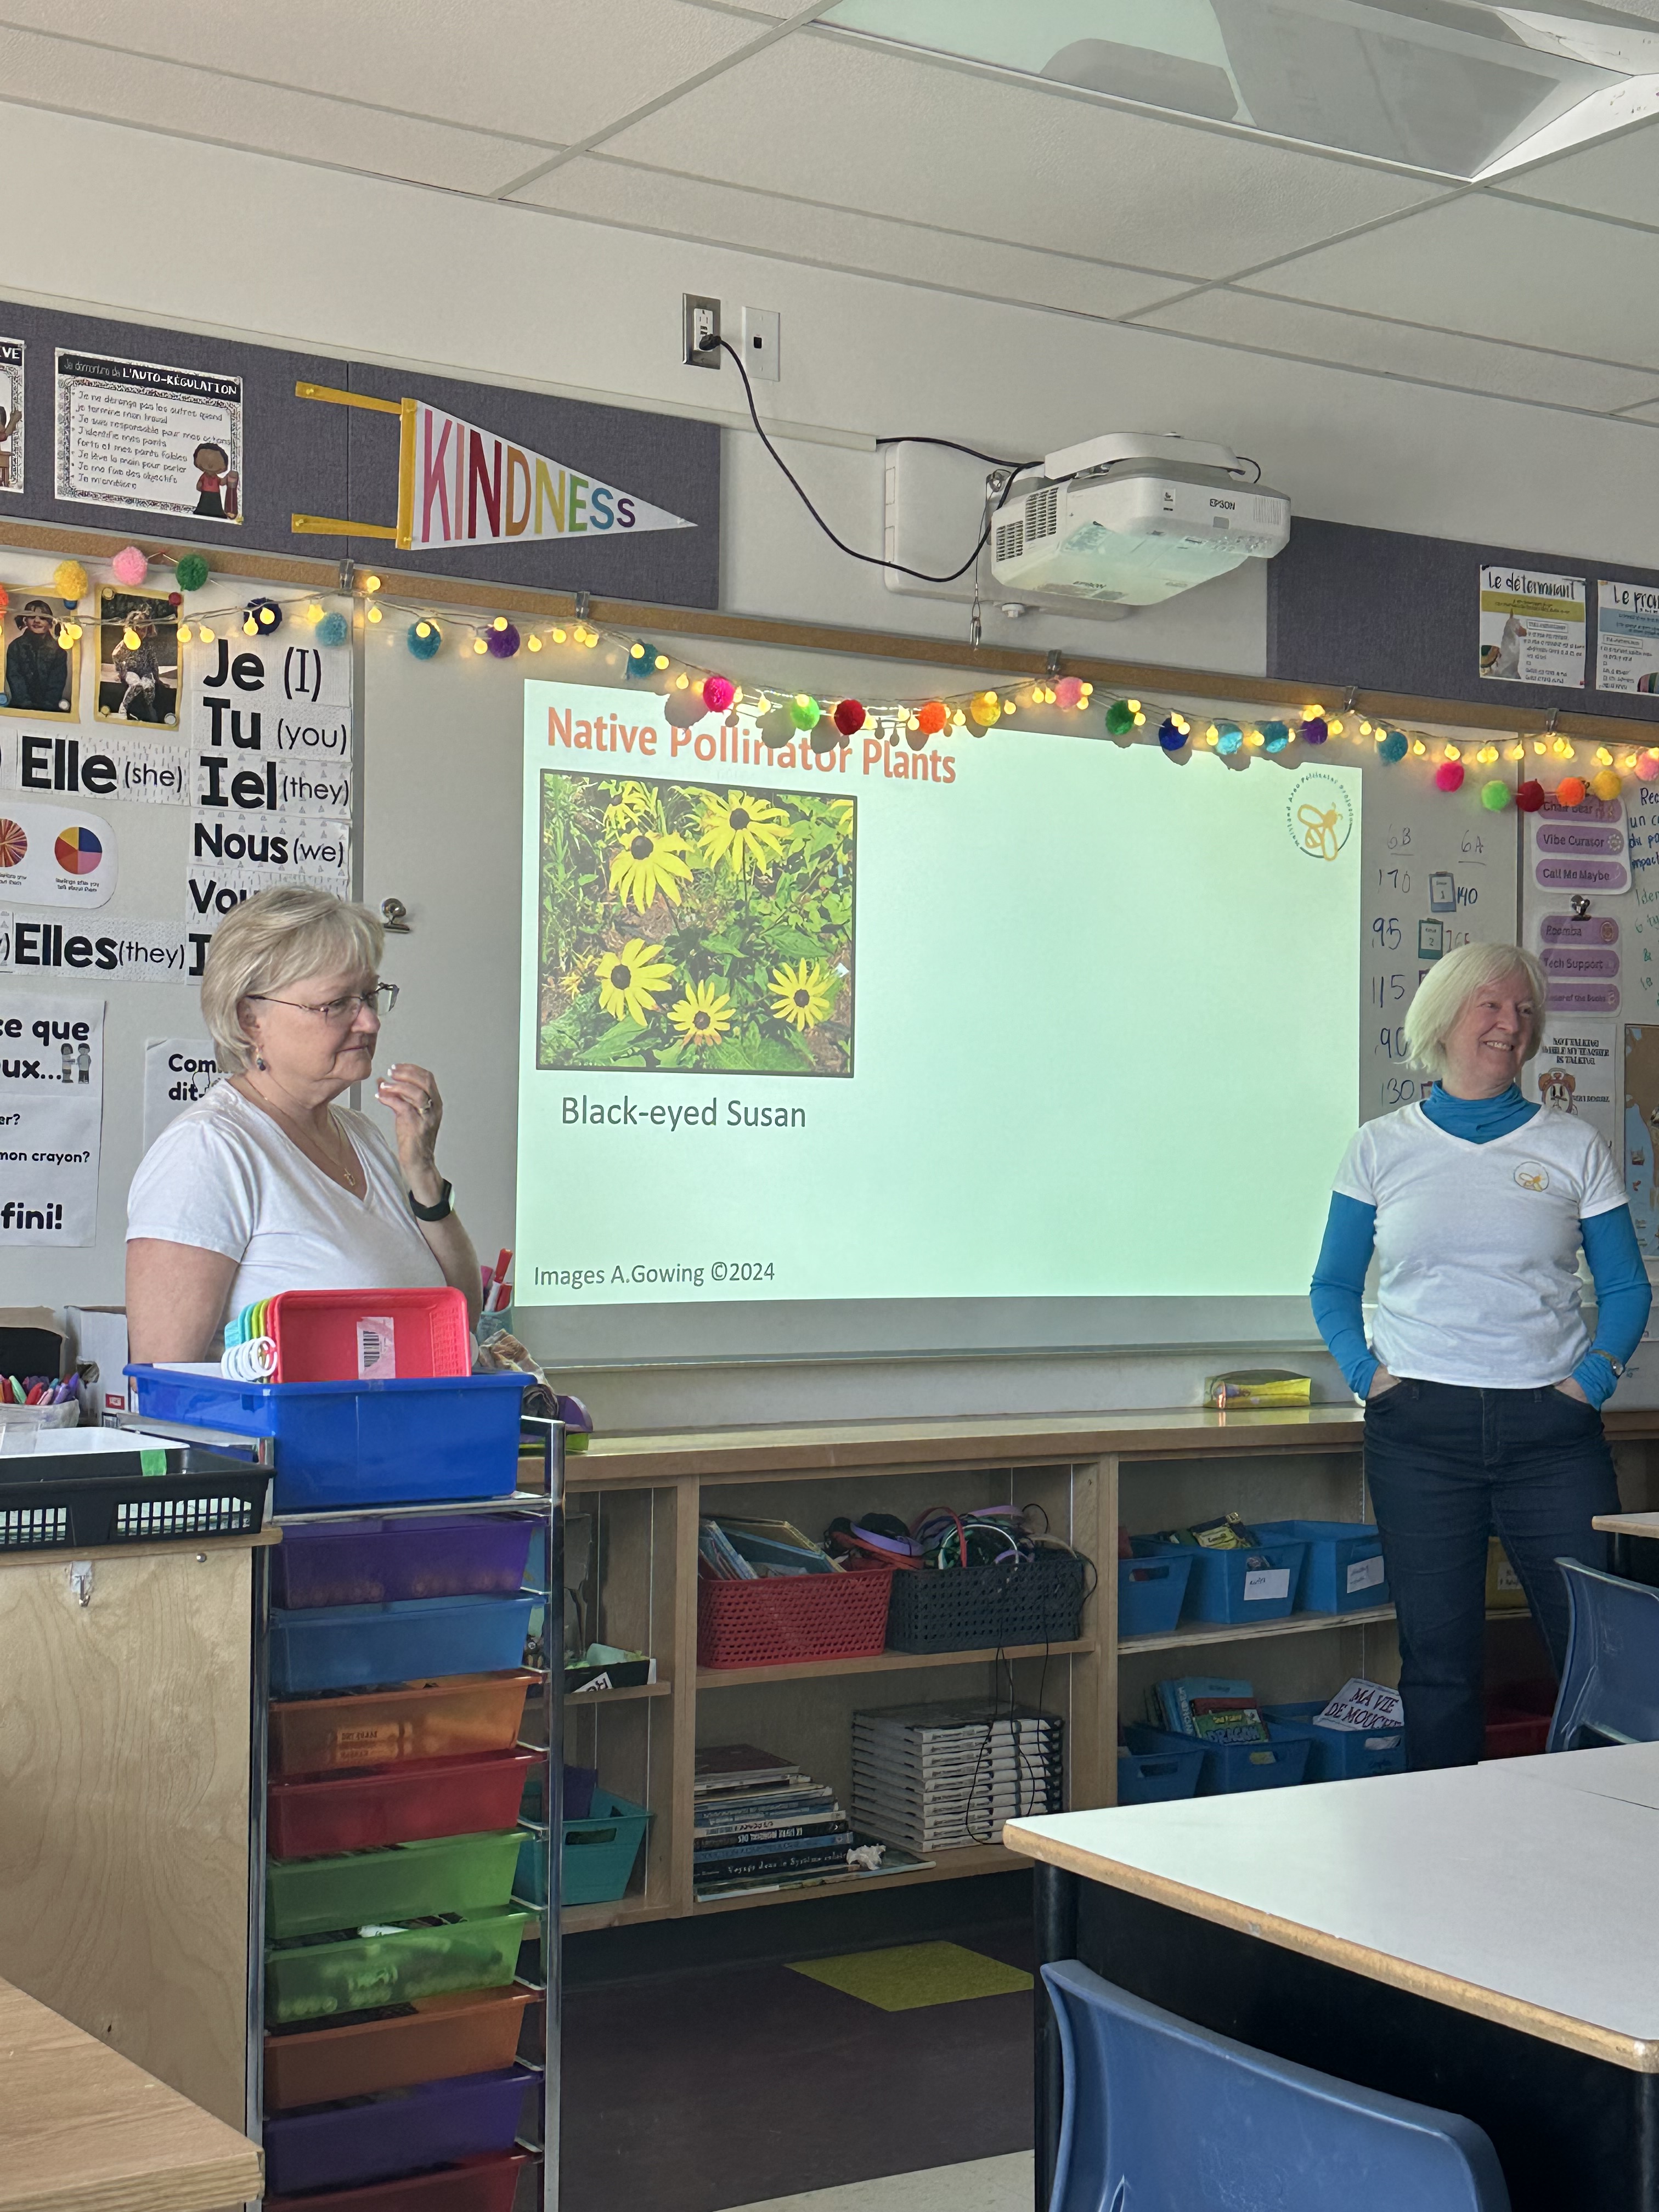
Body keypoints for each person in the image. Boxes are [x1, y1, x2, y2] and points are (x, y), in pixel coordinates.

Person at [1311, 940, 1651, 1769]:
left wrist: (1590, 1383)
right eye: (1491, 1005)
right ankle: (1441, 1842)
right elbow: (1332, 1285)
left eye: (1525, 1010)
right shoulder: (1380, 1147)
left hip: (1552, 1435)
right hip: (1419, 1433)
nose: (1511, 1024)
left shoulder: (1572, 1146)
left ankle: (1612, 1832)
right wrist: (1370, 1379)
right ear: (1443, 1020)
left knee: (1606, 1658)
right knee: (1439, 1669)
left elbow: (1626, 1288)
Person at [126, 885, 480, 1362]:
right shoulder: (207, 1150)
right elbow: (164, 1381)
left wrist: (424, 1175)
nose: (370, 1023)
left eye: (369, 996)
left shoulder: (364, 1136)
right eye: (336, 1003)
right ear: (250, 1020)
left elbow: (459, 1324)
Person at [4, 599, 70, 712]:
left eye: (43, 618)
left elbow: (57, 682)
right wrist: (25, 704)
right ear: (25, 620)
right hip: (20, 707)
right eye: (32, 617)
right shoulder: (15, 647)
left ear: (50, 622)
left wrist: (47, 707)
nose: (37, 621)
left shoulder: (59, 651)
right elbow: (15, 677)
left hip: (50, 709)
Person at [110, 608, 166, 722]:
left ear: (148, 629)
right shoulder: (128, 642)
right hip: (131, 671)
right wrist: (121, 672)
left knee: (149, 686)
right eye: (138, 629)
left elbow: (153, 662)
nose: (141, 633)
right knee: (136, 684)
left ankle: (149, 707)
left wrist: (157, 678)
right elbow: (116, 655)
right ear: (133, 628)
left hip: (145, 672)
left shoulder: (148, 645)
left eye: (144, 630)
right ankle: (124, 707)